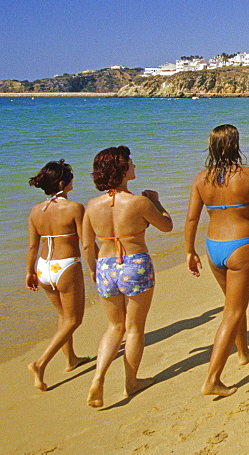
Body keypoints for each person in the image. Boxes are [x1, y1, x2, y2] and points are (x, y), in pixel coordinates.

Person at [184, 125, 249, 397]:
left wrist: (189, 250)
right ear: (236, 145)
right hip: (240, 244)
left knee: (233, 304)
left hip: (213, 247)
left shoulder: (201, 179)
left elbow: (191, 218)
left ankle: (243, 351)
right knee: (233, 311)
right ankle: (212, 378)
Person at [82, 146, 173, 408]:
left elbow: (88, 246)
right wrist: (156, 201)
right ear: (120, 169)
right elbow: (166, 226)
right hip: (135, 263)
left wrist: (92, 269)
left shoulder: (92, 205)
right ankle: (131, 381)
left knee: (114, 326)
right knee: (134, 328)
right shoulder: (139, 202)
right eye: (130, 162)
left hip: (105, 265)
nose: (134, 165)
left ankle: (98, 378)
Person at [25, 160, 89, 391]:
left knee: (63, 317)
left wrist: (29, 271)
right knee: (74, 320)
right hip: (66, 266)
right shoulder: (74, 208)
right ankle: (40, 364)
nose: (73, 180)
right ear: (62, 183)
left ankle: (71, 359)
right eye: (70, 177)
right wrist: (95, 266)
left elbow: (32, 246)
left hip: (43, 267)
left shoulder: (35, 211)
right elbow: (86, 243)